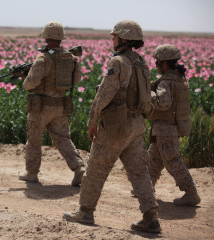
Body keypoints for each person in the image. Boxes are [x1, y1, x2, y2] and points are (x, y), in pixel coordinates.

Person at [63, 20, 161, 233]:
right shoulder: (141, 62)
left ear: (124, 38)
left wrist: (92, 121)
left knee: (97, 168)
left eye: (114, 36)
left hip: (117, 124)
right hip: (137, 124)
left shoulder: (118, 62)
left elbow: (104, 94)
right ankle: (150, 216)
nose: (112, 39)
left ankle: (85, 211)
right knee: (139, 172)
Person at [18, 21, 85, 186]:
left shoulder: (43, 58)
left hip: (41, 107)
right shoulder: (70, 58)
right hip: (61, 106)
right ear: (61, 38)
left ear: (46, 37)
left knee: (34, 139)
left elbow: (30, 84)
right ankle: (78, 167)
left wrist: (24, 78)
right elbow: (77, 79)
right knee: (63, 138)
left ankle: (32, 173)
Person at [146, 44, 201, 206]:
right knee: (154, 159)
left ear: (164, 64)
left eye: (157, 63)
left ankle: (191, 192)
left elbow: (163, 103)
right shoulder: (180, 79)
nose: (156, 66)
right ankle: (146, 187)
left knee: (173, 161)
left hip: (166, 128)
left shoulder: (166, 82)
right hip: (168, 127)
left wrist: (149, 94)